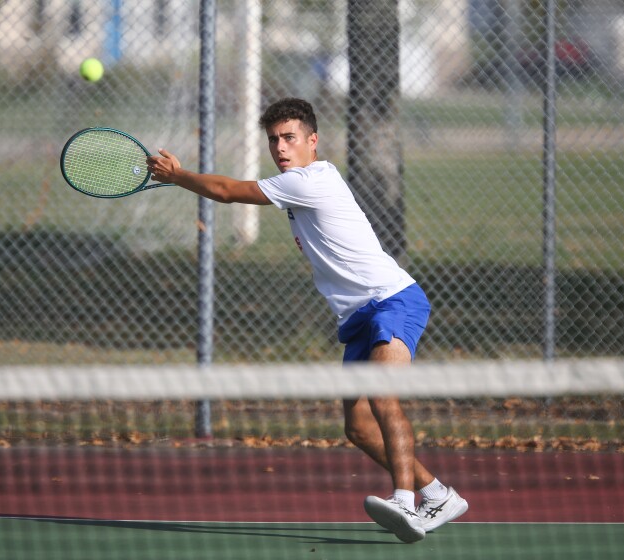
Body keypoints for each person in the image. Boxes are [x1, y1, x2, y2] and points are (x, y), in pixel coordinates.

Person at [147, 97, 467, 543]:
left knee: (382, 393)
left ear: (311, 142)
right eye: (274, 139)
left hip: (393, 299)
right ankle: (437, 494)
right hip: (359, 315)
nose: (280, 147)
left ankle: (405, 501)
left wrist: (178, 177)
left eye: (289, 138)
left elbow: (225, 191)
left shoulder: (311, 180)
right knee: (357, 427)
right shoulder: (295, 187)